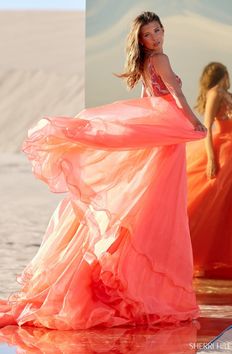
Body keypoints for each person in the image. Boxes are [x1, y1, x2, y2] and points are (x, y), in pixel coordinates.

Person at [0, 11, 206, 330]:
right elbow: (174, 95)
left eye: (158, 31)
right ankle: (140, 287)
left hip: (162, 134)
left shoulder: (146, 62)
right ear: (140, 40)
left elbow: (145, 103)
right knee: (158, 208)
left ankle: (134, 283)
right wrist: (194, 123)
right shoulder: (160, 59)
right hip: (168, 134)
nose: (156, 37)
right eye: (149, 34)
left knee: (146, 205)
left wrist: (151, 131)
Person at [187, 62, 232, 278]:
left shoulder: (229, 94)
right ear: (223, 74)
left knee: (228, 205)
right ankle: (193, 250)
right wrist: (210, 158)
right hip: (224, 148)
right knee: (213, 199)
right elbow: (207, 127)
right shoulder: (215, 93)